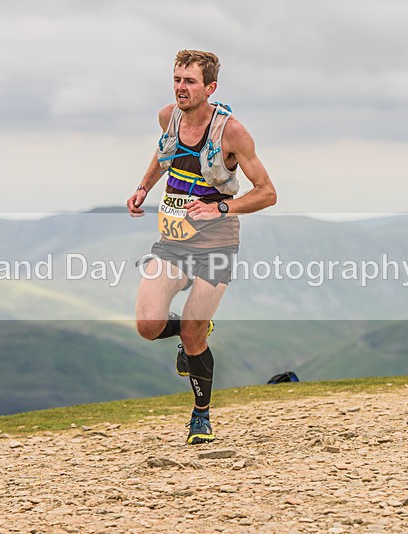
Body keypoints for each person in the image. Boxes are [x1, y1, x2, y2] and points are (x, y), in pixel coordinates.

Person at [126, 50, 276, 445]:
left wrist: (220, 206)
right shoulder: (168, 117)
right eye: (177, 79)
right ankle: (192, 328)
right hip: (172, 242)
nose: (181, 88)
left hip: (216, 244)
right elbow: (163, 156)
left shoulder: (232, 132)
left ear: (210, 88)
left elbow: (268, 193)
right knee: (147, 326)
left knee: (194, 335)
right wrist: (143, 187)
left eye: (190, 82)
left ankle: (201, 417)